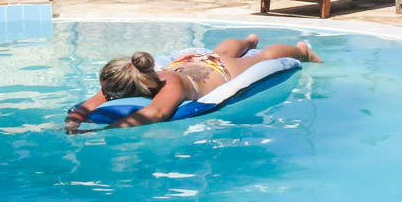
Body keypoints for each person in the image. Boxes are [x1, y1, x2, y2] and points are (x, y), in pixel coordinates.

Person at [66, 33, 321, 131]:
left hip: (218, 70)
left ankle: (302, 51)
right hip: (191, 60)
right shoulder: (132, 76)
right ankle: (248, 41)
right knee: (220, 49)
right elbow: (93, 102)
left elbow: (155, 113)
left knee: (262, 57)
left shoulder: (171, 85)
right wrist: (72, 123)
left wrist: (100, 132)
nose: (106, 98)